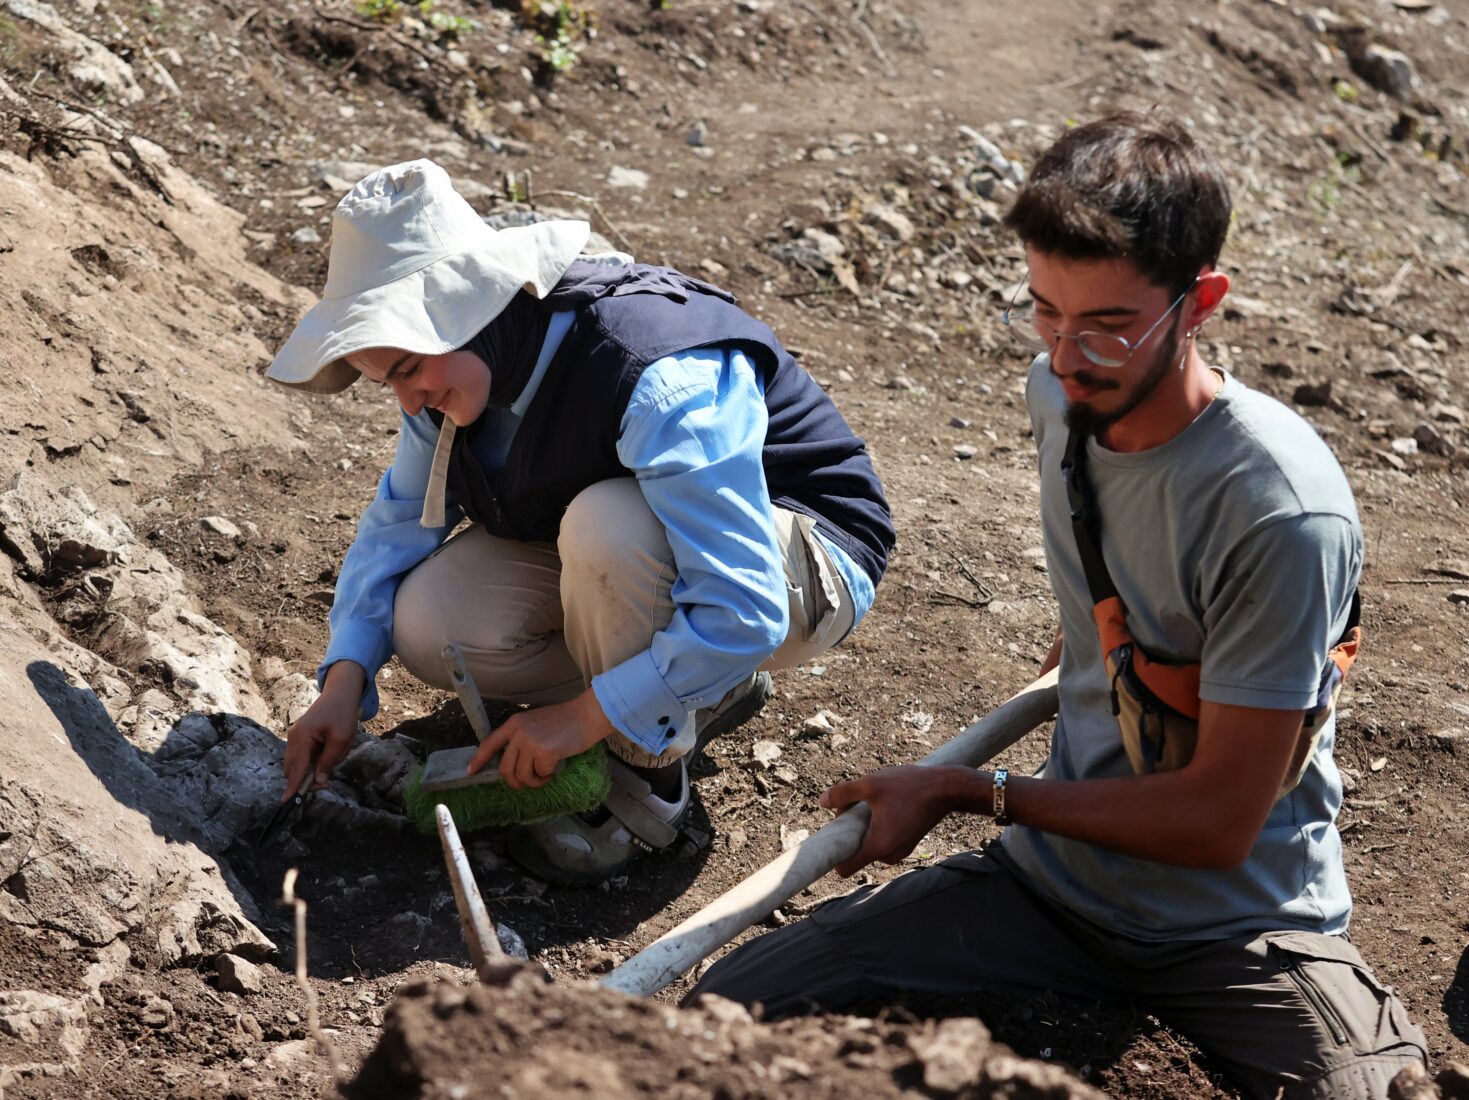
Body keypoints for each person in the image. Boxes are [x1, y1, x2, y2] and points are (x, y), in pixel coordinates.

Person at [688, 112, 1427, 1098]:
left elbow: (1215, 823)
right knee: (725, 1014)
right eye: (1045, 312)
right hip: (1054, 887)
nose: (1070, 355)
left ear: (1199, 300)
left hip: (1240, 923)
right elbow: (1102, 600)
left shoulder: (1278, 513)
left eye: (1109, 324)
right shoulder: (1062, 397)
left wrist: (967, 793)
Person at [267, 159, 895, 884]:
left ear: (470, 306)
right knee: (430, 620)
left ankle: (646, 780)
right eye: (390, 382)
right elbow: (396, 524)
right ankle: (693, 684)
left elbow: (745, 607)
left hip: (799, 569)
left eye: (409, 369)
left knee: (610, 523)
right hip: (649, 556)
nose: (408, 402)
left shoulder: (651, 370)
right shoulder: (457, 379)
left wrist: (585, 718)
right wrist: (343, 682)